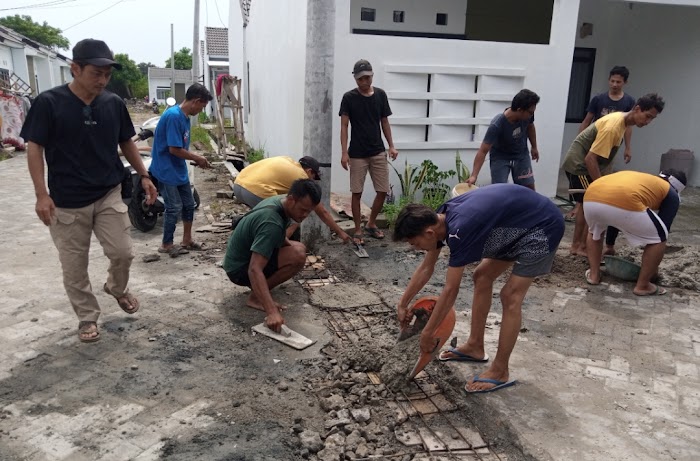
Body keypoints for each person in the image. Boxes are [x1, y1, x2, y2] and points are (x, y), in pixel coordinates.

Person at [21, 38, 157, 343]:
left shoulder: (113, 104)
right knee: (74, 265)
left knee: (123, 252)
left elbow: (126, 143)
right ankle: (86, 317)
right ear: (75, 69)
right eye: (96, 73)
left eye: (107, 74)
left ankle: (116, 288)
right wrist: (41, 194)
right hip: (66, 201)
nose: (103, 80)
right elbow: (34, 147)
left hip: (107, 191)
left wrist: (145, 176)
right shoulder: (49, 103)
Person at [393, 184, 564, 393]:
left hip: (541, 227)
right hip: (514, 226)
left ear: (429, 232)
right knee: (481, 276)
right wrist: (403, 303)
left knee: (510, 296)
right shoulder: (439, 218)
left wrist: (427, 333)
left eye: (415, 243)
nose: (415, 248)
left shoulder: (459, 230)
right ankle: (475, 346)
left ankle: (500, 371)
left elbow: (450, 291)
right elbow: (427, 267)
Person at [561, 93, 665, 256]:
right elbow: (590, 159)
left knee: (587, 204)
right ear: (637, 109)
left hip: (589, 164)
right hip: (580, 166)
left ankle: (582, 245)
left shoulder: (622, 121)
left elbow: (602, 158)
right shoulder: (613, 127)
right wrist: (602, 187)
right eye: (647, 116)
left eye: (652, 119)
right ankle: (578, 246)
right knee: (589, 204)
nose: (648, 122)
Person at [223, 179, 321, 333]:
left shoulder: (279, 202)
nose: (305, 215)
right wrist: (272, 312)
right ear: (291, 200)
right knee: (298, 255)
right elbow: (254, 269)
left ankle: (260, 290)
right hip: (238, 270)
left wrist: (289, 248)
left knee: (297, 248)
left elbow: (280, 235)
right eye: (303, 210)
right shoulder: (271, 222)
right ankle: (256, 297)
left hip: (239, 259)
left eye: (309, 211)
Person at [582, 169, 686, 295]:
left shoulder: (644, 180)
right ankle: (643, 286)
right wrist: (653, 269)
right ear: (677, 188)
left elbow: (616, 216)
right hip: (623, 198)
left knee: (595, 232)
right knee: (659, 238)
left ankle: (594, 275)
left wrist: (609, 245)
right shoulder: (671, 194)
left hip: (591, 196)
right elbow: (662, 232)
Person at [566, 66, 636, 228]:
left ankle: (590, 206)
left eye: (618, 82)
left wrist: (628, 147)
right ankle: (580, 206)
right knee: (588, 182)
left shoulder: (628, 102)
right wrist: (578, 140)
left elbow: (628, 127)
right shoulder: (599, 99)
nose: (615, 84)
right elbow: (587, 120)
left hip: (609, 147)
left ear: (625, 83)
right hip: (593, 146)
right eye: (612, 81)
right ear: (608, 81)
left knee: (602, 176)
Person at [339, 59, 398, 245]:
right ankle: (358, 229)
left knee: (382, 190)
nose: (364, 82)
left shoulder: (380, 95)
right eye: (360, 79)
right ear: (355, 79)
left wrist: (391, 145)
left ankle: (371, 223)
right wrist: (344, 152)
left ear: (372, 76)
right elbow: (344, 126)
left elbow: (385, 122)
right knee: (356, 192)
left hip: (377, 151)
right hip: (357, 153)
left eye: (366, 78)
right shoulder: (349, 98)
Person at [149, 83, 212, 256]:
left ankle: (186, 240)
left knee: (189, 204)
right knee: (173, 207)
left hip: (178, 168)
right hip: (165, 168)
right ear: (196, 101)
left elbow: (181, 147)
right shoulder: (173, 116)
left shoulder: (184, 117)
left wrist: (192, 158)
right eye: (202, 106)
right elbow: (174, 149)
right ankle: (167, 244)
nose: (201, 110)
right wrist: (197, 157)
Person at [233, 155, 352, 242]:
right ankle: (277, 245)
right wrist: (341, 233)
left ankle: (242, 226)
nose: (312, 181)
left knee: (262, 217)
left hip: (239, 185)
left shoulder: (289, 162)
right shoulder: (301, 177)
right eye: (313, 177)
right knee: (291, 218)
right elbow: (323, 212)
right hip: (255, 190)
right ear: (309, 171)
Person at [467, 89, 541, 190]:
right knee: (499, 191)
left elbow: (530, 127)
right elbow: (483, 151)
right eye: (530, 113)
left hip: (521, 155)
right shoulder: (497, 124)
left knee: (529, 190)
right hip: (500, 157)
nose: (531, 115)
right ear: (520, 110)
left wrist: (534, 147)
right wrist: (474, 176)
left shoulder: (527, 116)